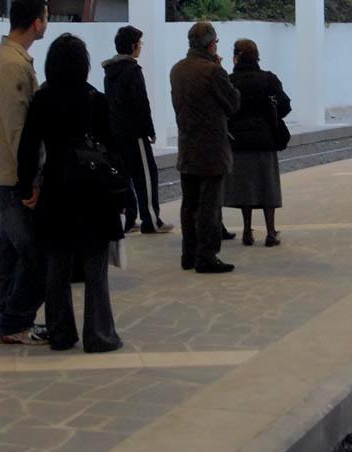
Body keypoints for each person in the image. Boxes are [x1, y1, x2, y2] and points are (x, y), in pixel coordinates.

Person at [17, 34, 124, 353]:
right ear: (83, 64)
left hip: (57, 192)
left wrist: (27, 185)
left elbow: (28, 147)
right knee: (95, 268)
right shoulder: (95, 99)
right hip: (93, 192)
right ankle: (99, 335)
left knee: (57, 267)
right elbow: (113, 148)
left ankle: (61, 333)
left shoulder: (42, 100)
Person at [0, 0, 49, 346]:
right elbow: (17, 128)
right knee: (36, 254)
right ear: (37, 22)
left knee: (10, 251)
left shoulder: (6, 56)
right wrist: (31, 179)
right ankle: (14, 320)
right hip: (14, 175)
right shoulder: (13, 65)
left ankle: (6, 318)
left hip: (6, 171)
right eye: (46, 17)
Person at [170, 21, 242, 274]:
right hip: (211, 147)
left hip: (187, 143)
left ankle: (188, 254)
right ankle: (207, 256)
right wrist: (219, 68)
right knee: (209, 205)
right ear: (211, 44)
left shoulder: (177, 69)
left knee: (189, 203)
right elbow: (233, 103)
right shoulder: (213, 71)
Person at [103, 26, 173, 235]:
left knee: (124, 176)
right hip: (135, 133)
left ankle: (130, 217)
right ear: (133, 46)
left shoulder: (110, 71)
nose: (141, 47)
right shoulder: (132, 70)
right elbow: (141, 103)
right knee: (146, 175)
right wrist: (149, 130)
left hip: (116, 132)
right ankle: (151, 220)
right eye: (140, 43)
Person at [223, 39, 291, 248]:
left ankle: (247, 231)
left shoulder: (230, 80)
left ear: (236, 57)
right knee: (267, 186)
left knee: (246, 187)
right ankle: (270, 232)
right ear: (256, 56)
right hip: (265, 140)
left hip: (239, 142)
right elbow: (285, 106)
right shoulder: (268, 79)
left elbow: (225, 108)